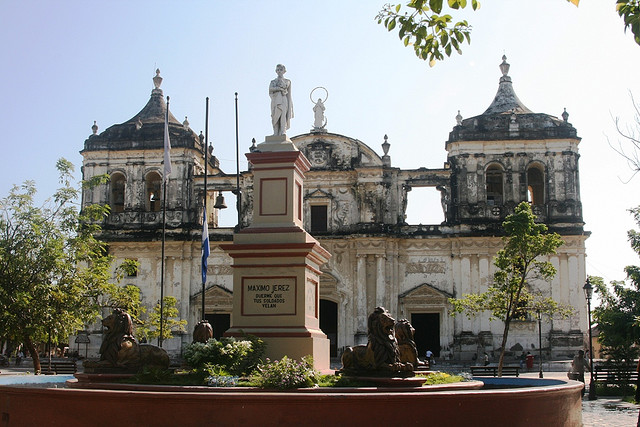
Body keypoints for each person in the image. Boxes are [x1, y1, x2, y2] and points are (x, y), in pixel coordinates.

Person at [269, 64, 293, 136]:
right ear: (276, 71)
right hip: (275, 99)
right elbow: (270, 89)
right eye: (278, 70)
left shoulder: (287, 81)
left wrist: (278, 87)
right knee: (274, 115)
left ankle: (283, 131)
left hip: (283, 99)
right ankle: (275, 132)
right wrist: (279, 88)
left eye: (281, 70)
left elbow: (285, 86)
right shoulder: (273, 81)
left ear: (284, 71)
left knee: (283, 115)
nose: (279, 71)